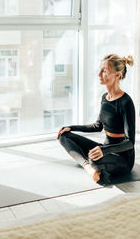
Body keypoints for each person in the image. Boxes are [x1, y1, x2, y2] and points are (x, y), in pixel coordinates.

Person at [57, 54, 135, 185]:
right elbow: (98, 126)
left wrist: (104, 150)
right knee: (64, 136)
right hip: (105, 148)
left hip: (122, 158)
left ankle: (93, 165)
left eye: (104, 71)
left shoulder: (126, 102)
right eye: (100, 69)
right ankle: (89, 168)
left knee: (95, 158)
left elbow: (130, 142)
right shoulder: (105, 97)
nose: (99, 74)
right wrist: (72, 127)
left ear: (117, 75)